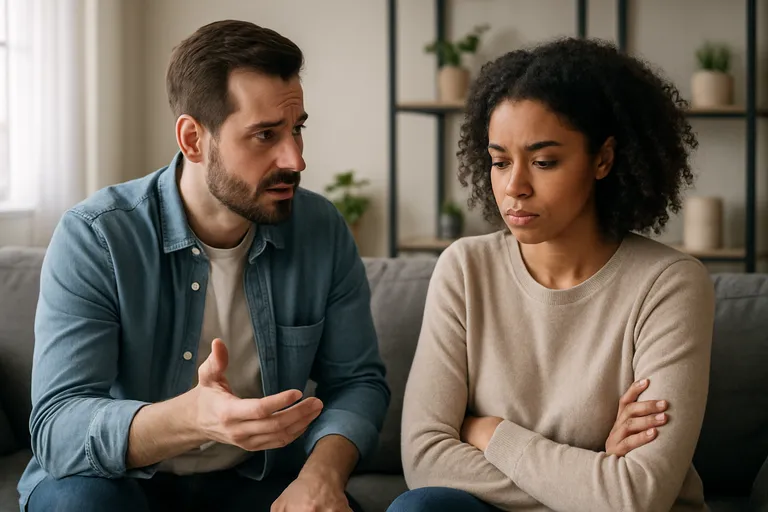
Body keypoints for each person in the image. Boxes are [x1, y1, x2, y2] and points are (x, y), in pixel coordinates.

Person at [17, 19, 390, 512]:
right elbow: (58, 426)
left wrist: (320, 476)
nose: (295, 158)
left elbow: (358, 383)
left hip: (254, 481)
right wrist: (192, 419)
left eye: (297, 129)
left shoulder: (320, 230)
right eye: (265, 135)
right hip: (118, 483)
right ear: (193, 139)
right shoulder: (97, 236)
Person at [390, 37, 714, 512]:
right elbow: (424, 459)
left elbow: (636, 496)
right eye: (499, 162)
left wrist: (488, 431)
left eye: (544, 162)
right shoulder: (465, 268)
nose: (514, 187)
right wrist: (596, 475)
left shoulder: (670, 284)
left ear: (602, 159)